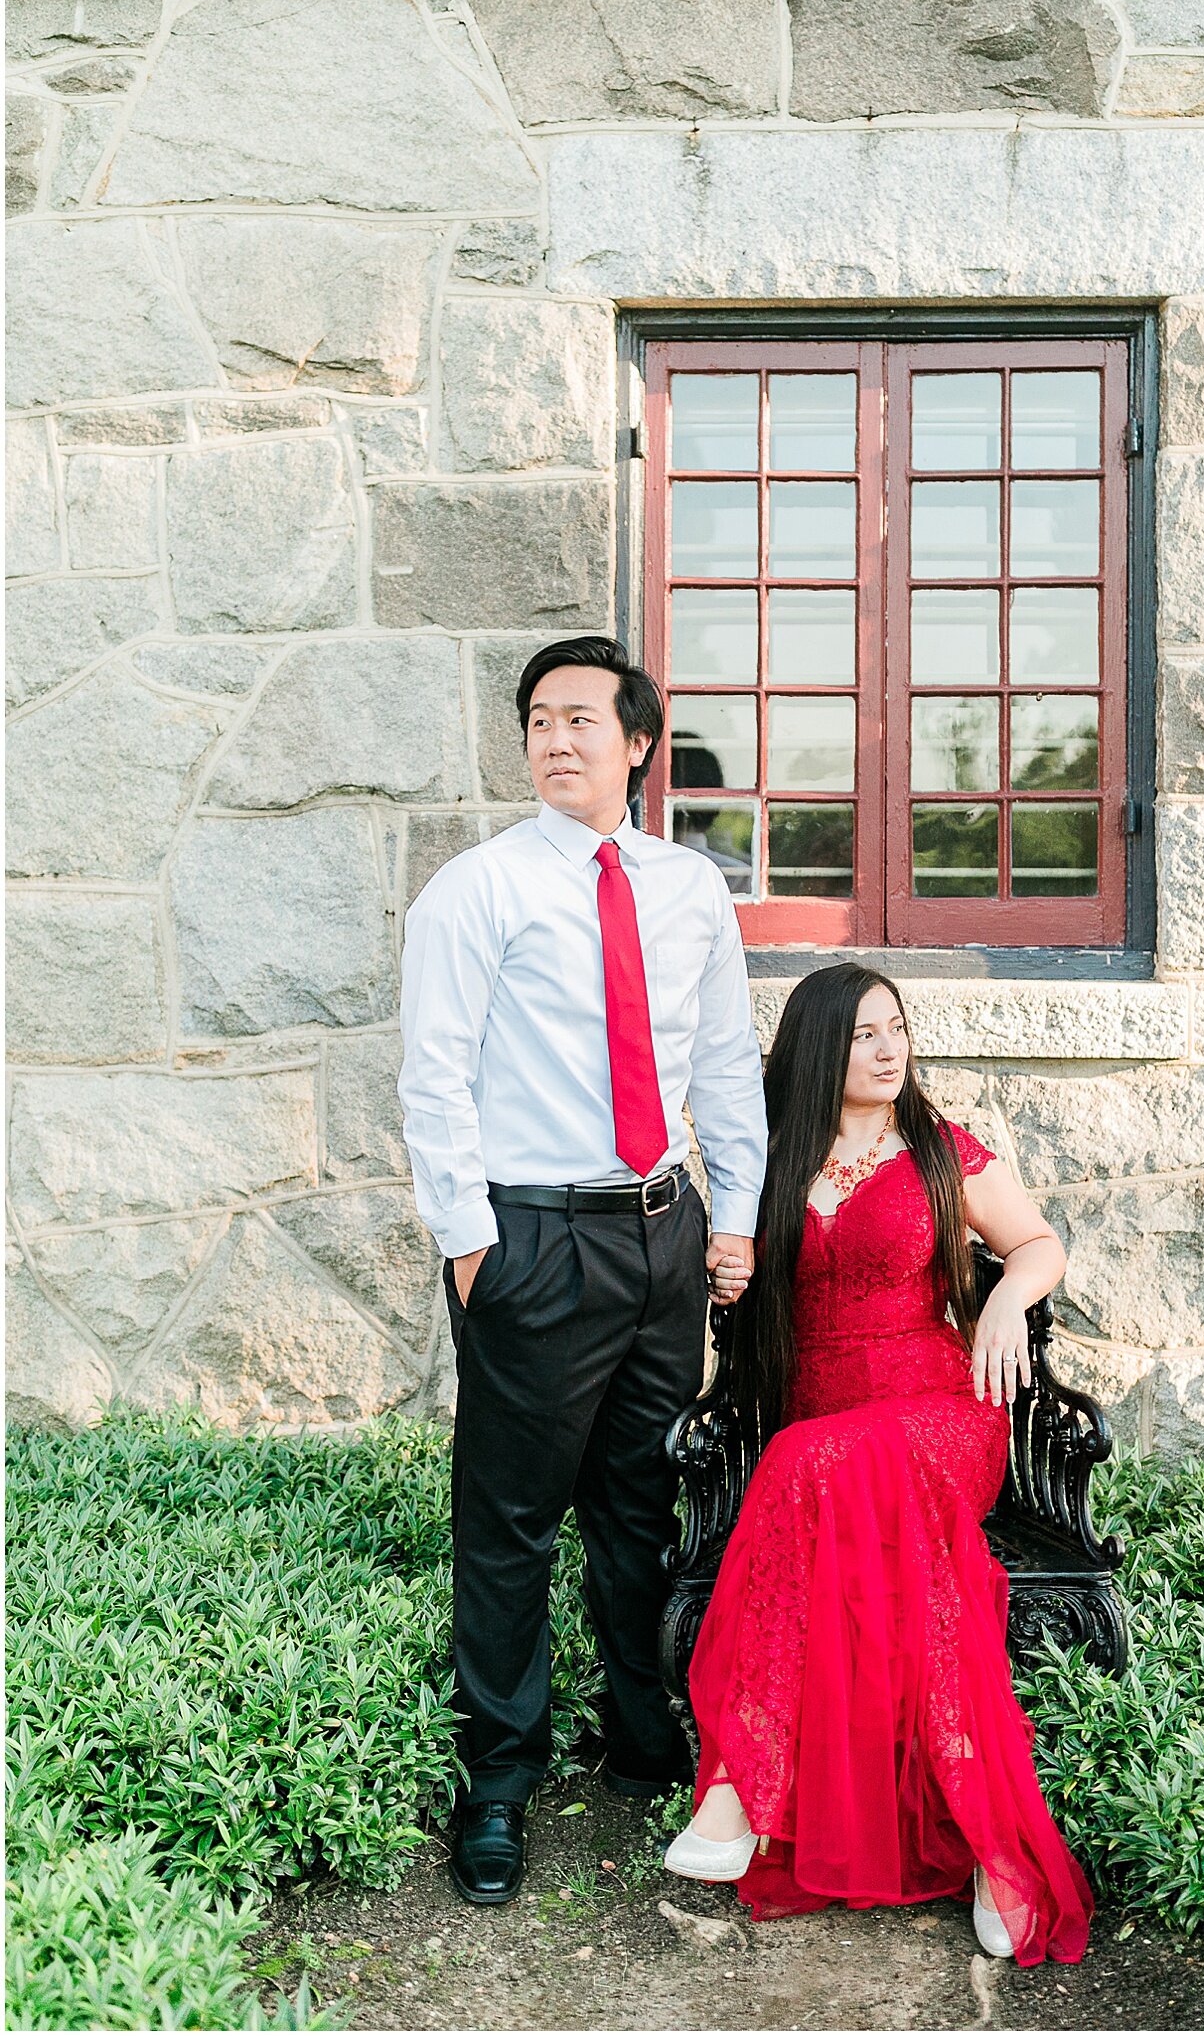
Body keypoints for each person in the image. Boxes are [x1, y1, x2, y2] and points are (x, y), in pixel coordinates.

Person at [399, 635, 767, 1907]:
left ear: (638, 743)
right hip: (534, 1238)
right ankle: (495, 1778)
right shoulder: (476, 890)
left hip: (664, 1233)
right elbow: (433, 1075)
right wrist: (467, 1240)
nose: (557, 740)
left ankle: (640, 1732)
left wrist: (738, 1215)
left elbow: (723, 1062)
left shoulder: (688, 891)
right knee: (507, 1520)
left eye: (581, 720)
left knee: (638, 1496)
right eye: (538, 721)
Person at [663, 963, 1094, 1966]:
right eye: (864, 1034)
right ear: (821, 1048)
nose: (889, 1048)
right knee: (851, 1504)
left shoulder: (940, 1148)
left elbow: (1036, 1243)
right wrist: (731, 1266)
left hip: (941, 1417)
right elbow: (732, 1272)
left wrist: (999, 1300)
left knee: (802, 1466)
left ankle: (733, 1793)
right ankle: (993, 1851)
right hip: (826, 1426)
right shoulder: (767, 1157)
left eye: (896, 1027)